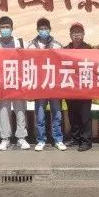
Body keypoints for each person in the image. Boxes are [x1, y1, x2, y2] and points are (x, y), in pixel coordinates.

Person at [0, 15, 30, 151]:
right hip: (3, 84)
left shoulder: (21, 43)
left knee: (20, 111)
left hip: (18, 83)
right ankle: (5, 138)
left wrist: (23, 54)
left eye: (7, 27)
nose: (5, 29)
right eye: (3, 27)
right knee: (4, 112)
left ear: (12, 29)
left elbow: (30, 60)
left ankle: (21, 138)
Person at [27, 17, 66, 151]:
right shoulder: (31, 46)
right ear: (37, 30)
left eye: (46, 28)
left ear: (50, 29)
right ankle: (41, 140)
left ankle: (58, 139)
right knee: (40, 115)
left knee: (57, 114)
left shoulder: (57, 45)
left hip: (54, 85)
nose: (43, 30)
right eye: (41, 28)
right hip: (40, 86)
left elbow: (64, 63)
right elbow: (25, 63)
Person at [64, 22, 93, 152]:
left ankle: (86, 141)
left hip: (84, 88)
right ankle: (75, 138)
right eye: (74, 32)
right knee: (73, 115)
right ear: (70, 35)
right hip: (70, 87)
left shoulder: (89, 49)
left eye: (79, 32)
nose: (76, 35)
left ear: (83, 34)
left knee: (85, 116)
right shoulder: (65, 49)